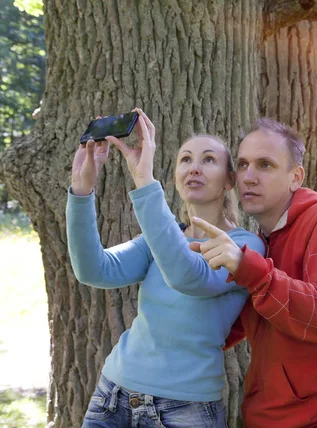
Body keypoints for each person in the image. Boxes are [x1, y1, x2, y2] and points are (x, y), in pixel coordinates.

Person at [66, 108, 264, 427]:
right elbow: (94, 270)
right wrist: (81, 191)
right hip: (113, 394)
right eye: (185, 159)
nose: (194, 168)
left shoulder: (245, 246)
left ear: (230, 180)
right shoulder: (162, 237)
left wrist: (144, 180)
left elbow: (189, 277)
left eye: (208, 160)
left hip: (186, 408)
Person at [190, 118, 317, 427]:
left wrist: (250, 270)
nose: (249, 177)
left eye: (265, 165)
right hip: (271, 415)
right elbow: (237, 319)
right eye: (242, 165)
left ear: (296, 177)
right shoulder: (261, 240)